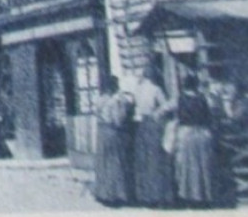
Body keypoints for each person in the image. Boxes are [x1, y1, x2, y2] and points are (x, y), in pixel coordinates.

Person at [132, 64, 174, 207]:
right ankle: (159, 196)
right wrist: (159, 113)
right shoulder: (156, 90)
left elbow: (135, 106)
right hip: (154, 125)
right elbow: (166, 106)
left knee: (144, 160)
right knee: (156, 160)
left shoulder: (138, 89)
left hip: (142, 125)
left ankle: (145, 196)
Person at [174, 73, 217, 207]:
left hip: (186, 134)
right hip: (203, 134)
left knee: (187, 168)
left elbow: (164, 109)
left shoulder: (179, 99)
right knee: (203, 166)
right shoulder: (203, 98)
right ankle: (204, 197)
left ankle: (189, 197)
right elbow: (212, 114)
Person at [93, 75, 135, 206]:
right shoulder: (116, 101)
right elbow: (118, 120)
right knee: (115, 163)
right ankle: (116, 195)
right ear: (115, 86)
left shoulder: (99, 100)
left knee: (103, 162)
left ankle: (103, 193)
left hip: (101, 133)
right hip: (113, 132)